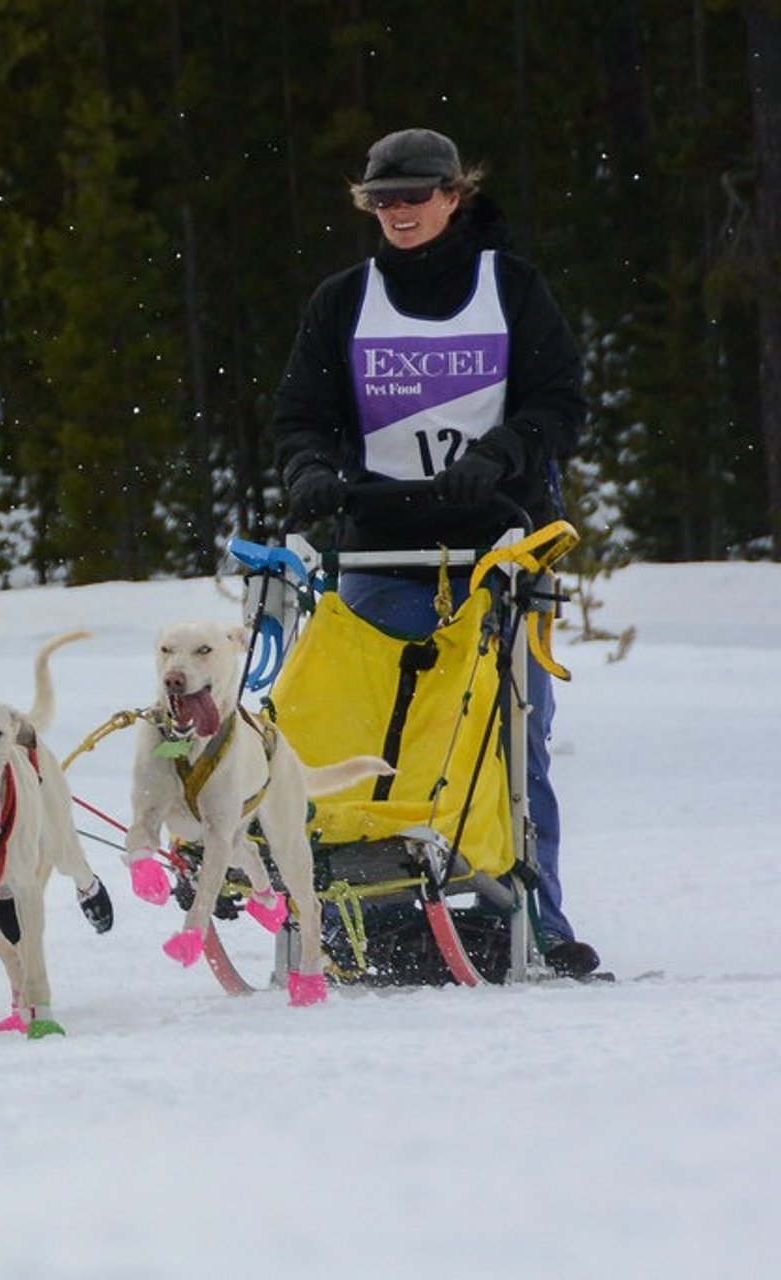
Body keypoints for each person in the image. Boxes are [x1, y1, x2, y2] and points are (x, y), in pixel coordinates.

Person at [270, 126, 600, 978]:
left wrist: (503, 453)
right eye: (383, 200)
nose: (399, 213)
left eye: (415, 196)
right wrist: (309, 468)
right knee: (371, 736)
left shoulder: (511, 288)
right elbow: (301, 415)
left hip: (495, 548)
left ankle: (540, 923)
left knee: (509, 741)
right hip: (382, 551)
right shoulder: (343, 300)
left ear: (455, 195)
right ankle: (359, 918)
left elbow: (560, 400)